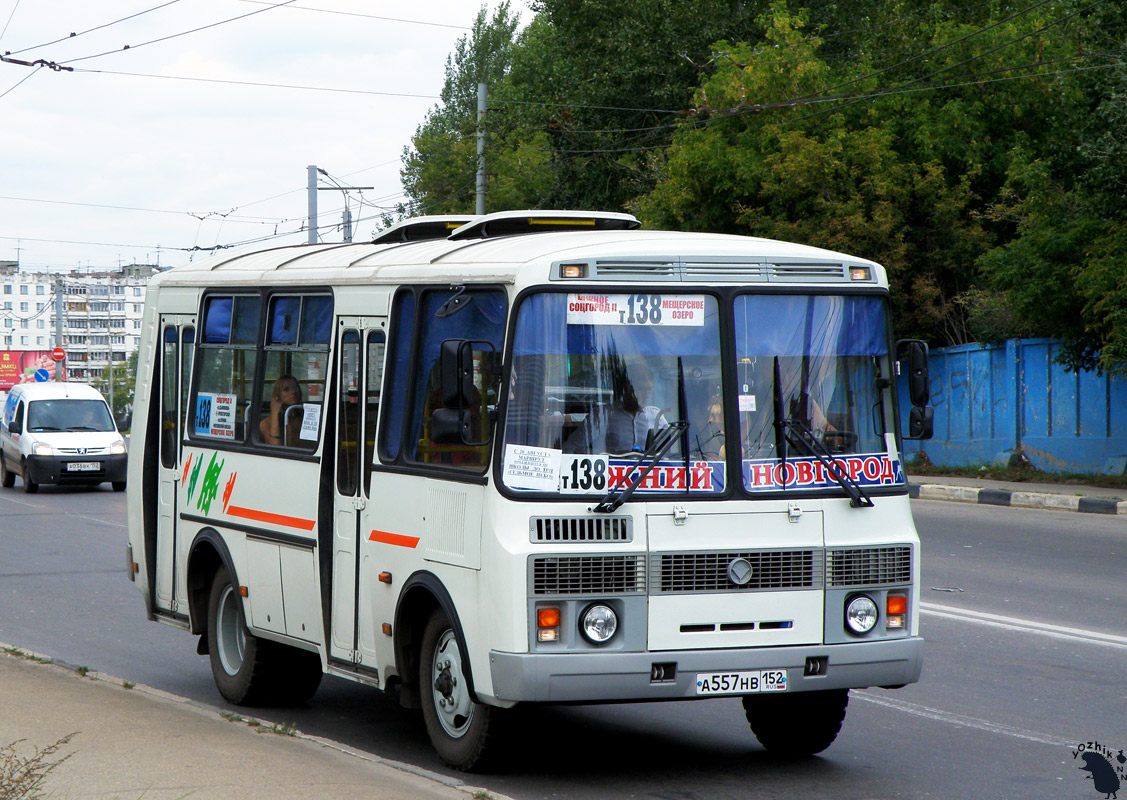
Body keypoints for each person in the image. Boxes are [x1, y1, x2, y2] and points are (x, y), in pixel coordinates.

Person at [604, 363, 668, 453]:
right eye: (641, 388)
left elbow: (669, 452)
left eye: (649, 389)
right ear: (626, 389)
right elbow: (578, 448)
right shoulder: (604, 416)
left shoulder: (657, 417)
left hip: (649, 467)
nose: (646, 394)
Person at [259, 374, 303, 446]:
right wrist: (275, 415)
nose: (293, 392)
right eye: (286, 389)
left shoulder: (303, 418)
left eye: (295, 388)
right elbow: (274, 448)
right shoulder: (266, 423)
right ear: (277, 395)